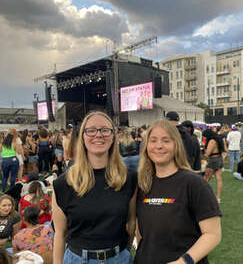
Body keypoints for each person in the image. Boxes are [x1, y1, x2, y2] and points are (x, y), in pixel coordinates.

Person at [52, 111, 137, 264]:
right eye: (91, 130)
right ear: (82, 137)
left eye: (105, 130)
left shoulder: (128, 178)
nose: (98, 135)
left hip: (119, 259)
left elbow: (131, 224)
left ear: (113, 137)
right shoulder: (64, 183)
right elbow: (59, 234)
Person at [135, 120, 222, 264]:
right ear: (146, 147)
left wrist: (183, 261)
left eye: (166, 140)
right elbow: (142, 233)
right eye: (153, 140)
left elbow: (213, 234)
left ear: (176, 145)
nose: (159, 146)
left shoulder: (194, 183)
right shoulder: (143, 184)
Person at [202, 128, 225, 204]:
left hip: (213, 160)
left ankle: (204, 196)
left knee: (206, 180)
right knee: (219, 179)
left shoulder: (212, 141)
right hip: (219, 159)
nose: (204, 138)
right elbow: (225, 149)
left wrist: (202, 154)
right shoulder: (219, 139)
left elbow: (207, 153)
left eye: (205, 136)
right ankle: (218, 198)